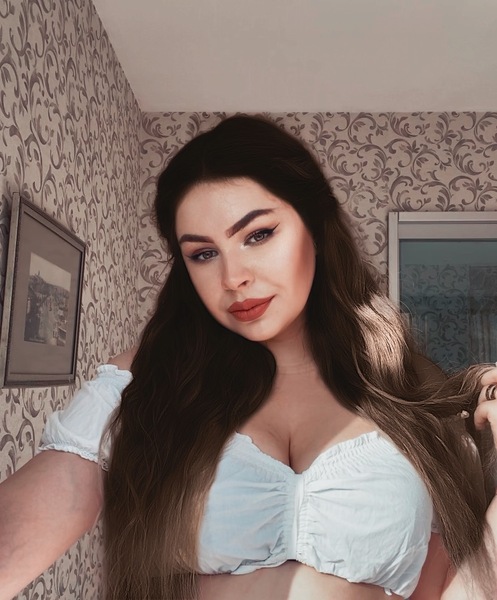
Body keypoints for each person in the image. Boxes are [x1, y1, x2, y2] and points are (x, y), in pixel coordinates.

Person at [1, 115, 497, 600]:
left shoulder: (411, 390)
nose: (232, 277)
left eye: (257, 235)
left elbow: (442, 589)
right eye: (203, 254)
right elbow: (55, 502)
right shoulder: (150, 378)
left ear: (316, 227)